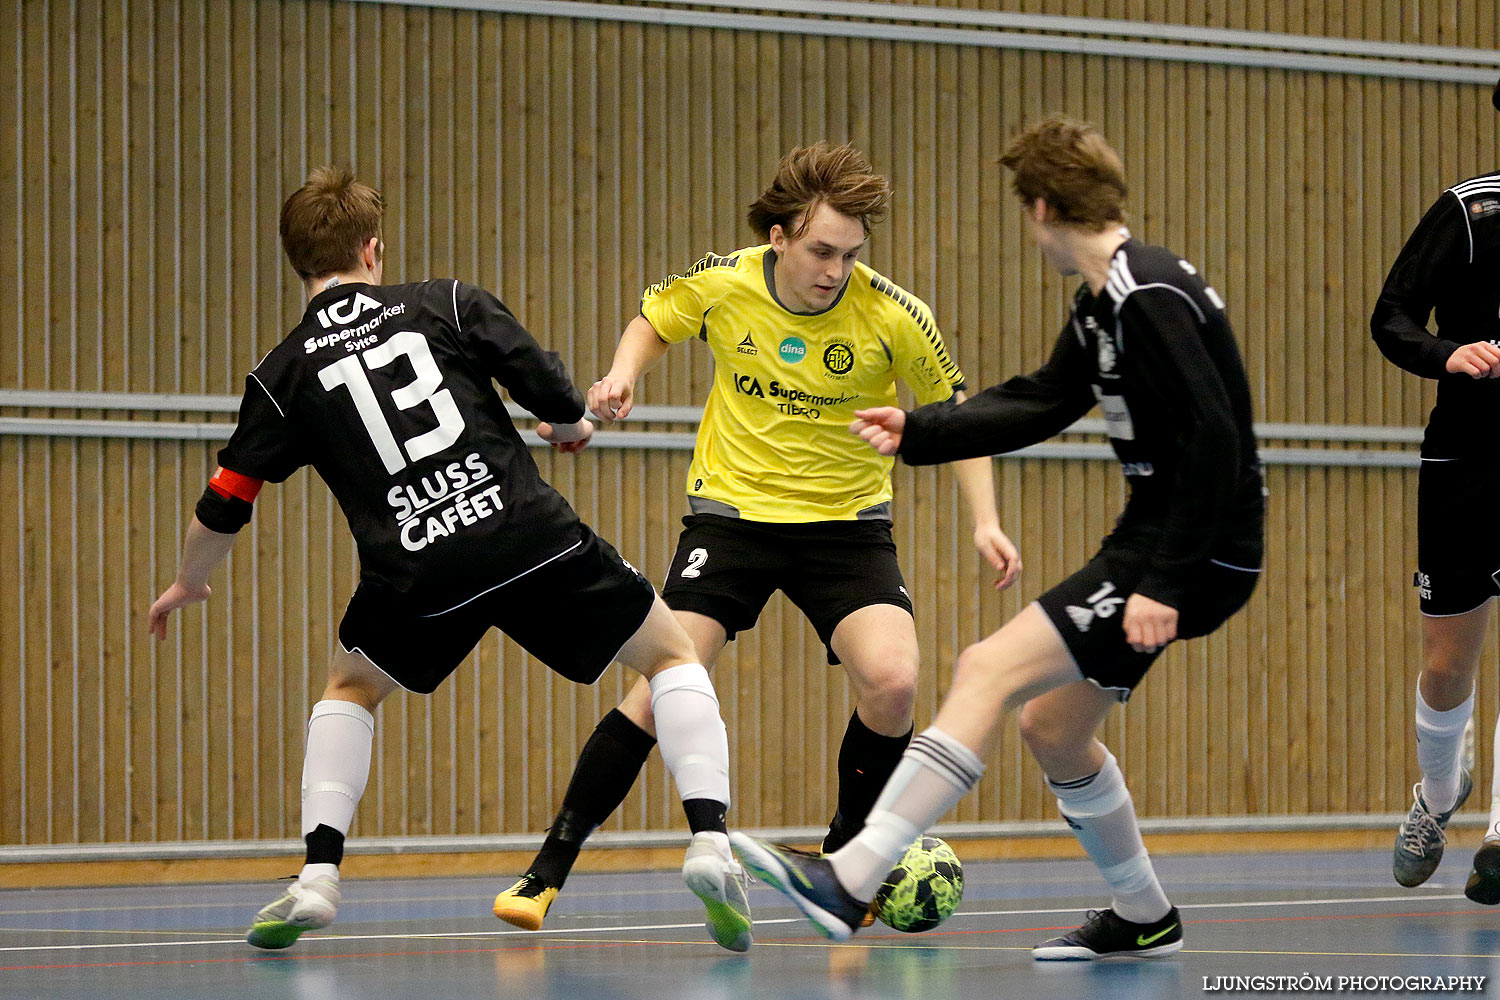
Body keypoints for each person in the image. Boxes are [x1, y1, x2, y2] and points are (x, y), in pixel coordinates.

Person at [146, 167, 747, 952]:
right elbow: (553, 395)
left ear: (298, 263)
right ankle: (710, 842)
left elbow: (226, 499)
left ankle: (319, 874)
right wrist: (570, 428)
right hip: (528, 537)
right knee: (671, 658)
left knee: (350, 689)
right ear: (373, 248)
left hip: (416, 572)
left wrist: (190, 580)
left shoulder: (283, 373)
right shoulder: (448, 302)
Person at [731, 115, 1265, 959]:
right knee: (1053, 727)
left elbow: (1217, 444)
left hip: (1190, 548)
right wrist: (920, 430)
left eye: (1026, 213)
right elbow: (1043, 399)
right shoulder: (1102, 305)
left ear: (1043, 206)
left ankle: (851, 876)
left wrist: (1166, 582)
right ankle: (1144, 915)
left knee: (984, 669)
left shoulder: (1149, 294)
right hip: (1163, 538)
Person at [493, 142, 1020, 933]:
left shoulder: (893, 314)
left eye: (849, 254)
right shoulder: (726, 281)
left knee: (895, 680)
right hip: (732, 520)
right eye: (819, 251)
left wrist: (985, 519)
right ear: (778, 237)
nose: (834, 270)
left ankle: (844, 860)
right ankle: (546, 871)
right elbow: (655, 319)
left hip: (846, 530)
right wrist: (622, 375)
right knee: (665, 682)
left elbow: (959, 417)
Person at [1371, 76, 1500, 905]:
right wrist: (1447, 354)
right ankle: (1439, 793)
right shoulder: (1469, 212)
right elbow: (1391, 317)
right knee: (1447, 665)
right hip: (1466, 461)